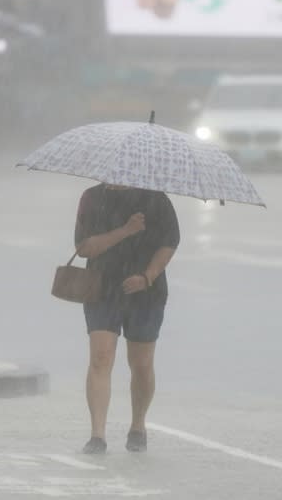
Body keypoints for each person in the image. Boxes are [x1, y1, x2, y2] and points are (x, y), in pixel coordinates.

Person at [74, 183, 180, 454]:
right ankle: (97, 435)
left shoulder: (156, 199)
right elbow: (85, 247)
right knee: (100, 357)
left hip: (146, 292)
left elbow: (170, 242)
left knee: (141, 364)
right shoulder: (92, 197)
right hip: (101, 288)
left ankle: (138, 425)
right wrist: (126, 231)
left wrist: (147, 277)